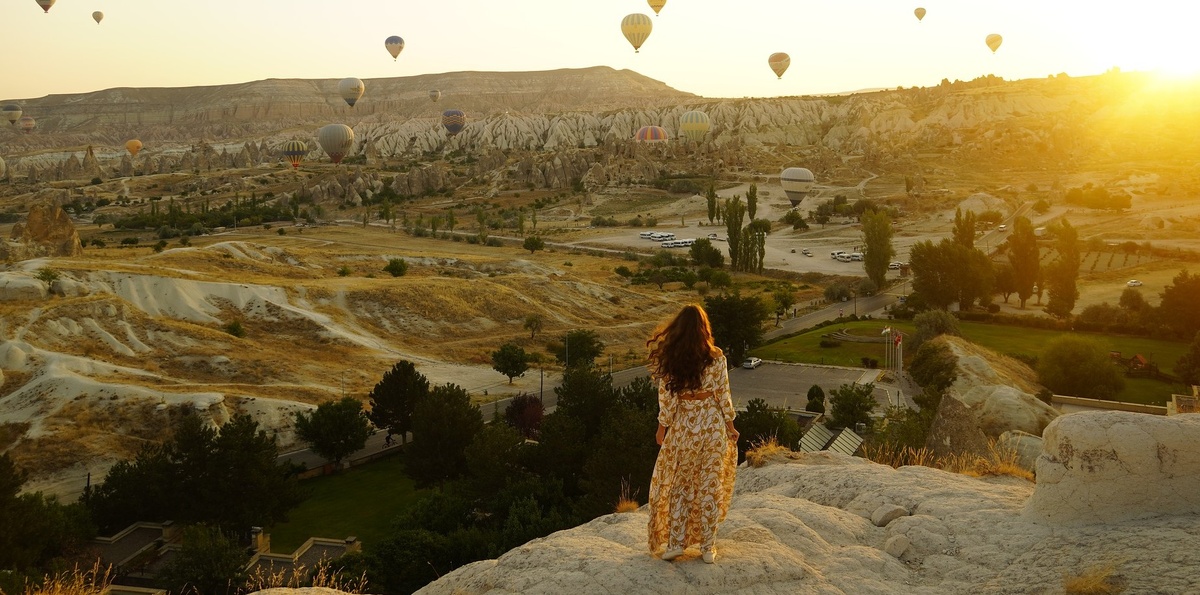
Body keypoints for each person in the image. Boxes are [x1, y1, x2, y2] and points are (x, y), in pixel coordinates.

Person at [646, 304, 738, 564]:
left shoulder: (672, 358)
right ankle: (707, 548)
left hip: (685, 427)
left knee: (681, 486)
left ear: (678, 329)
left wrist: (662, 426)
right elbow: (723, 395)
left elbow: (667, 399)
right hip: (711, 426)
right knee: (710, 485)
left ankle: (676, 543)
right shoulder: (717, 357)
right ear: (703, 328)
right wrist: (730, 426)